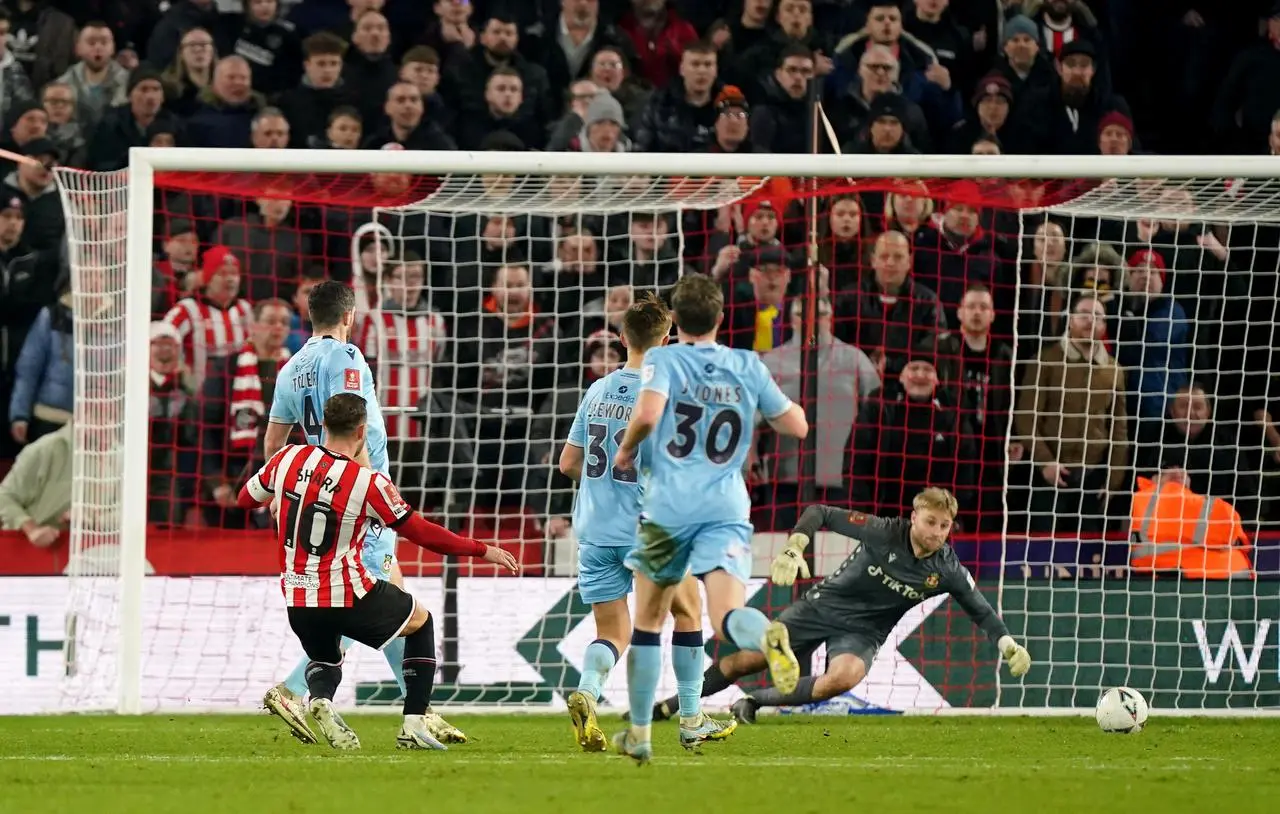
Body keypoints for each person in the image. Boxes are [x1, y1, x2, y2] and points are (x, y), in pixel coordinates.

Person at [237, 393, 518, 750]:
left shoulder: (288, 458)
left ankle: (320, 699)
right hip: (346, 592)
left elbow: (245, 499)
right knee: (420, 621)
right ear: (361, 431)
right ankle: (414, 723)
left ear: (323, 425)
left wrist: (280, 496)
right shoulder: (366, 483)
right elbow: (423, 533)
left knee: (327, 656)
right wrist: (482, 549)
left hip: (296, 598)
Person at [611, 273, 809, 764]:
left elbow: (650, 414)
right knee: (724, 618)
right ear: (721, 318)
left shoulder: (663, 358)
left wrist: (626, 449)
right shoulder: (747, 364)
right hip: (726, 508)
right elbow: (797, 426)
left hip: (668, 511)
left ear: (674, 319)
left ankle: (639, 733)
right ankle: (764, 635)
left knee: (649, 622)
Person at [260, 281, 466, 745]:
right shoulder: (346, 359)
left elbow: (273, 444)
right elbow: (355, 424)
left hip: (314, 494)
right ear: (349, 316)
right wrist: (369, 492)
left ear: (310, 315)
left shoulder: (290, 368)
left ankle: (420, 712)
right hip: (356, 500)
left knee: (397, 603)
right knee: (358, 600)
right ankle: (295, 691)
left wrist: (280, 494)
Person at [653, 488, 1030, 724]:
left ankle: (753, 702)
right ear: (914, 517)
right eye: (930, 521)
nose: (936, 532)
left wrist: (1006, 643)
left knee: (842, 678)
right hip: (822, 606)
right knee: (747, 661)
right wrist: (794, 545)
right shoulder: (883, 531)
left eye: (944, 526)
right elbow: (820, 511)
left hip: (863, 632)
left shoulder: (946, 569)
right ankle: (673, 705)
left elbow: (979, 608)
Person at [557, 294, 735, 752]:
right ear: (667, 341)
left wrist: (609, 484)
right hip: (648, 528)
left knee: (611, 632)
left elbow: (569, 463)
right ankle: (692, 718)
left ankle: (587, 692)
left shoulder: (596, 390)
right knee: (688, 612)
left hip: (595, 530)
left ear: (621, 338)